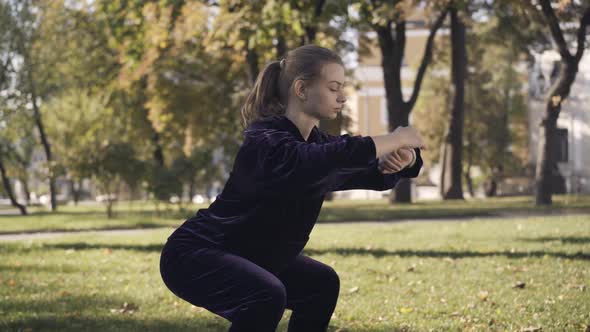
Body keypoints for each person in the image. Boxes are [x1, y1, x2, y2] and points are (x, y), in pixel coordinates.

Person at [159, 44, 425, 332]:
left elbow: (368, 170)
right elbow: (324, 160)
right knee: (266, 296)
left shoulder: (318, 145)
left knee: (320, 284)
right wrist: (395, 138)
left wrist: (405, 158)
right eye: (334, 87)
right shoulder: (267, 142)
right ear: (301, 89)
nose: (343, 97)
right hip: (194, 255)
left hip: (252, 255)